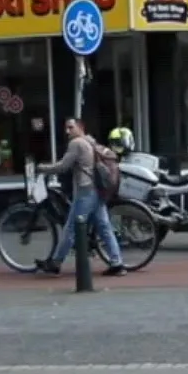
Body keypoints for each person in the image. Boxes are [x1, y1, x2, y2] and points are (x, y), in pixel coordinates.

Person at [34, 117, 127, 277]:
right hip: (98, 191)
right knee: (104, 227)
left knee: (71, 227)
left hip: (86, 191)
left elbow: (63, 166)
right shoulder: (90, 141)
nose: (67, 131)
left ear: (80, 127)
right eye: (66, 128)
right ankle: (117, 263)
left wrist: (43, 168)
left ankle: (55, 263)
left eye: (71, 127)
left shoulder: (76, 143)